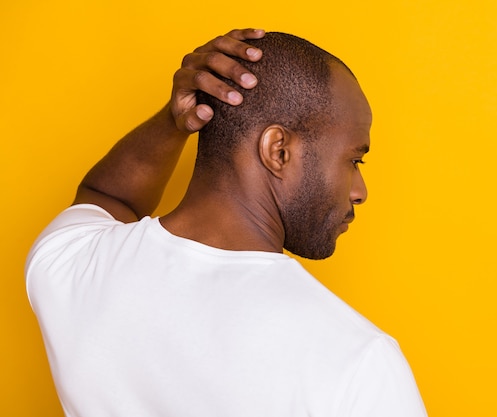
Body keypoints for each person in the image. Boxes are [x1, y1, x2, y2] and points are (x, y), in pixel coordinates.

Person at [26, 29, 428, 417]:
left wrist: (174, 120)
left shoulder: (69, 264)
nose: (360, 190)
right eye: (354, 160)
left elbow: (107, 196)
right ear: (278, 150)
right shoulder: (358, 363)